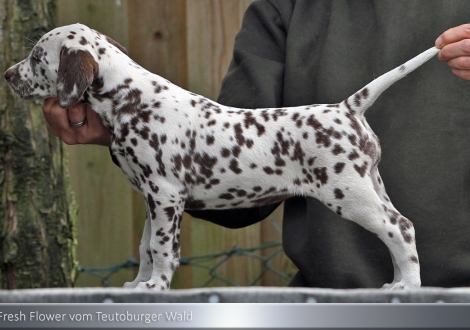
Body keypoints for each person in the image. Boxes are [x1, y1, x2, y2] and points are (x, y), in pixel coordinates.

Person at [43, 0, 470, 288]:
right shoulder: (283, 6)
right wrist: (120, 138)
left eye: (35, 62)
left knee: (375, 214)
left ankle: (406, 274)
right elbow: (232, 181)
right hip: (328, 302)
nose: (20, 72)